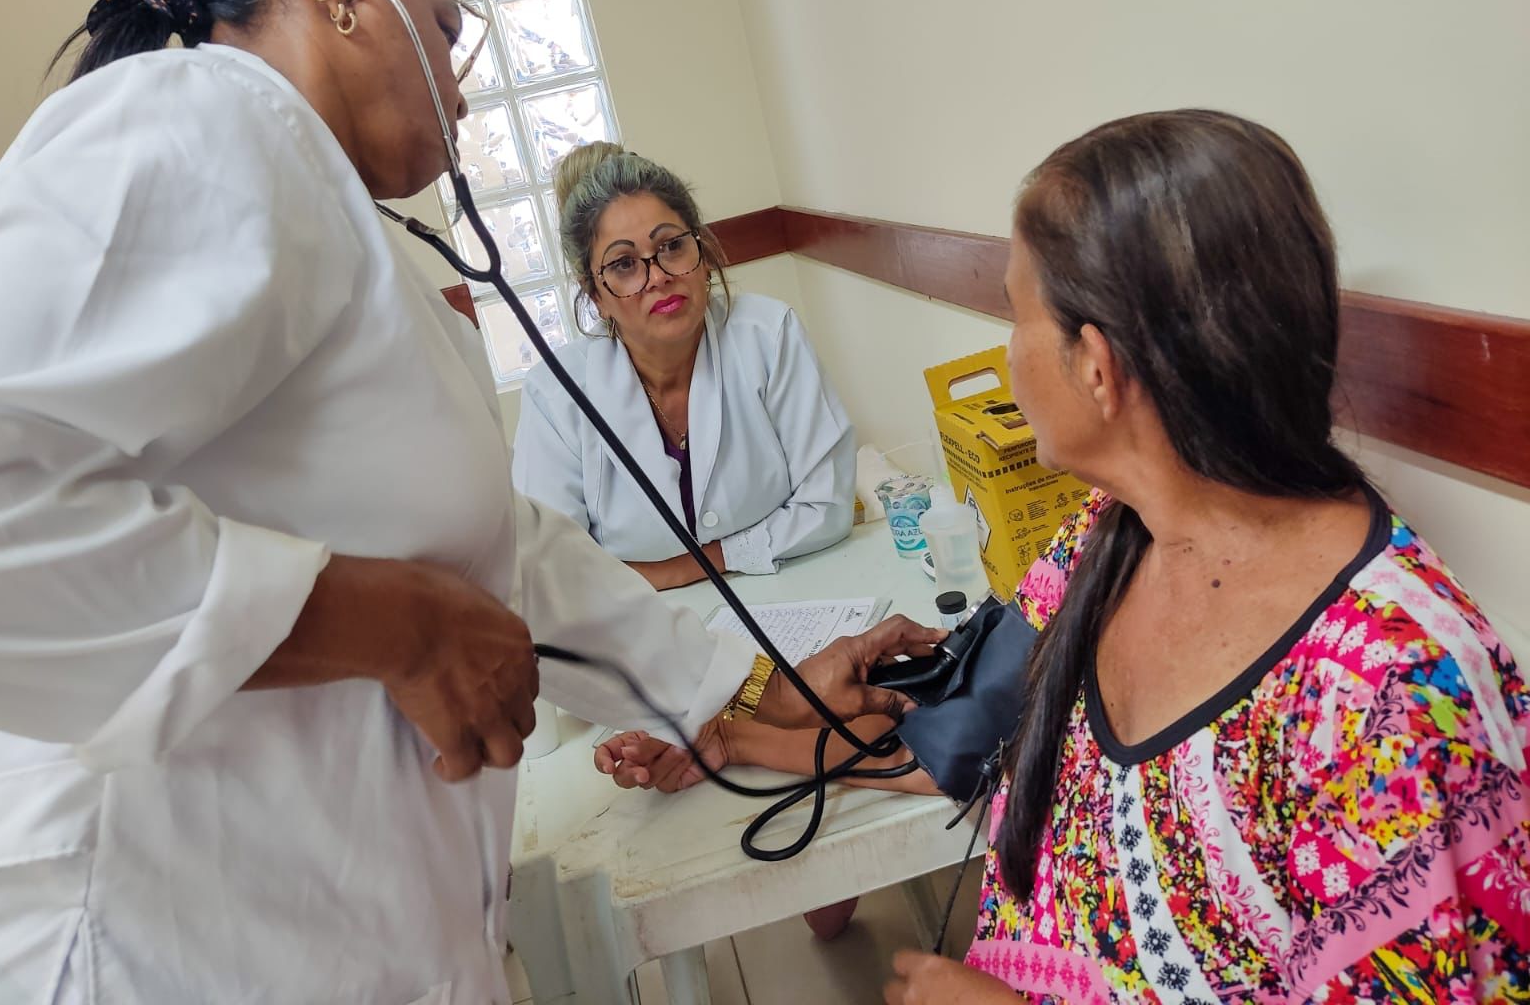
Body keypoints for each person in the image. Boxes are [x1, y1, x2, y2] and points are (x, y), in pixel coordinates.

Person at [0, 0, 942, 1004]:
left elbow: (501, 552)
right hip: (142, 944)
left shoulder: (343, 228)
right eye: (450, 29)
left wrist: (746, 689)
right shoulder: (209, 124)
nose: (460, 90)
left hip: (309, 933)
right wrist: (387, 624)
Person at [600, 110, 1530, 1003]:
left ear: (1097, 363)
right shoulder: (1112, 535)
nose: (1007, 360)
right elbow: (971, 729)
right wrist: (736, 736)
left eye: (1016, 318)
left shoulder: (1392, 701)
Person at [513, 142, 856, 590]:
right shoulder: (555, 396)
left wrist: (688, 567)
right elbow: (552, 572)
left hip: (797, 593)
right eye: (623, 264)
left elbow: (828, 506)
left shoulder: (767, 336)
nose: (657, 276)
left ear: (704, 254)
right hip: (641, 633)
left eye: (672, 246)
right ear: (595, 296)